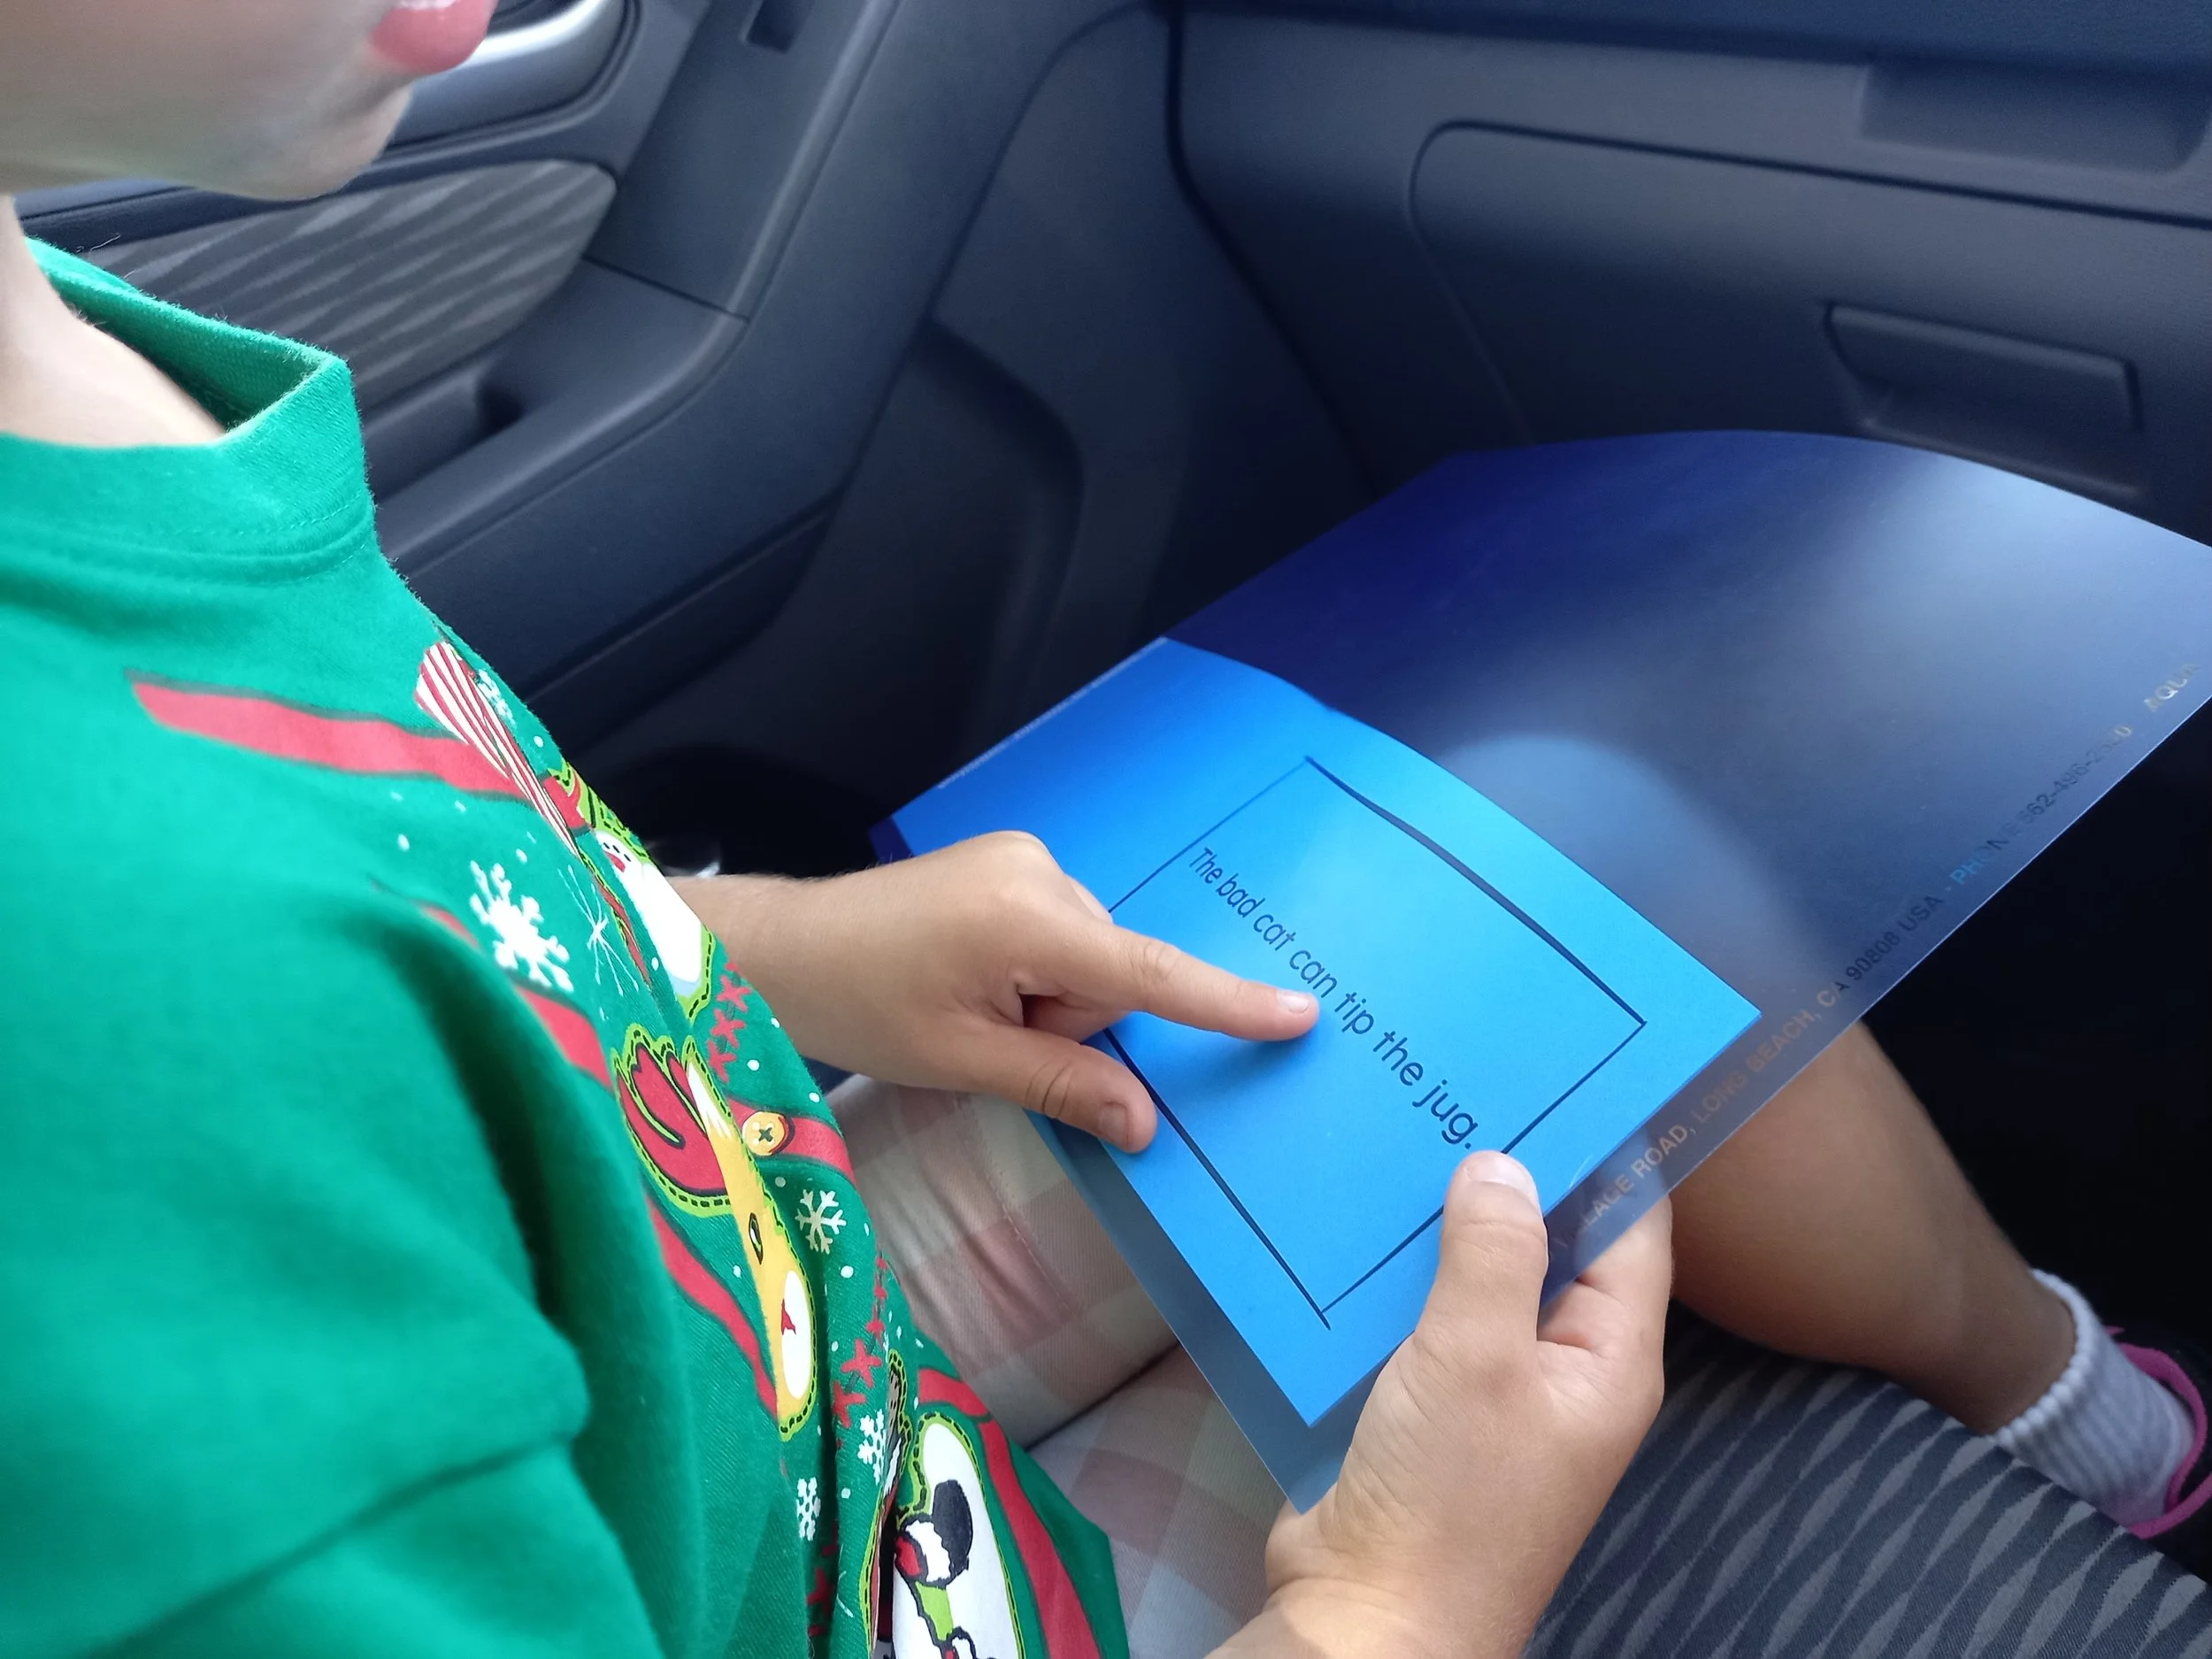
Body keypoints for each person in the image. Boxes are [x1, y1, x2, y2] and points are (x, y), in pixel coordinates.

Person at [0, 5, 2202, 1656]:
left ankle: (2072, 1406)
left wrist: (762, 944)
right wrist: (1393, 1608)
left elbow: (396, 889)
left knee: (1575, 894)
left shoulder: (79, 378)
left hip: (717, 1309)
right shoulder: (114, 1218)